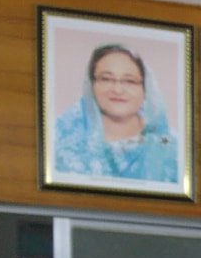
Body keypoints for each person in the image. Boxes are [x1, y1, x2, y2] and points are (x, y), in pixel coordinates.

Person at [50, 43, 181, 183]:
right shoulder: (58, 139)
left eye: (130, 81)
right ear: (91, 85)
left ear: (146, 87)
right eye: (106, 79)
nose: (117, 90)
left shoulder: (171, 146)